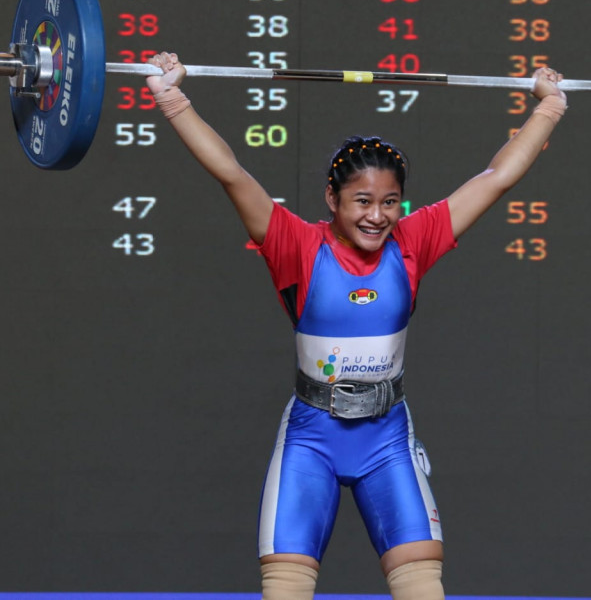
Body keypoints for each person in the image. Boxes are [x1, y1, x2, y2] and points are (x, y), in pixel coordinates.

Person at [145, 52, 566, 600]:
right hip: (311, 440)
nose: (377, 216)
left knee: (423, 589)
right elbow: (231, 172)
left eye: (390, 202)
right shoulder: (296, 245)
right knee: (285, 590)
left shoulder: (412, 242)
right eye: (362, 201)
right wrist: (172, 98)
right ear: (332, 199)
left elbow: (496, 178)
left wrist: (549, 107)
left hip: (386, 438)